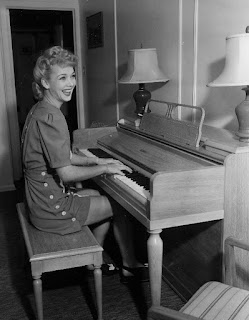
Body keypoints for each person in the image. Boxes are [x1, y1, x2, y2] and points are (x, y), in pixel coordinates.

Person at [21, 46, 148, 283]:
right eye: (62, 78)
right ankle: (128, 264)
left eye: (72, 76)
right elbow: (67, 173)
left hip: (39, 200)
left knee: (94, 192)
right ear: (46, 83)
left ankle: (94, 256)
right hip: (50, 209)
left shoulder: (40, 110)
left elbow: (64, 155)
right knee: (119, 204)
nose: (70, 83)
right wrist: (105, 168)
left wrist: (95, 159)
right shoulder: (52, 118)